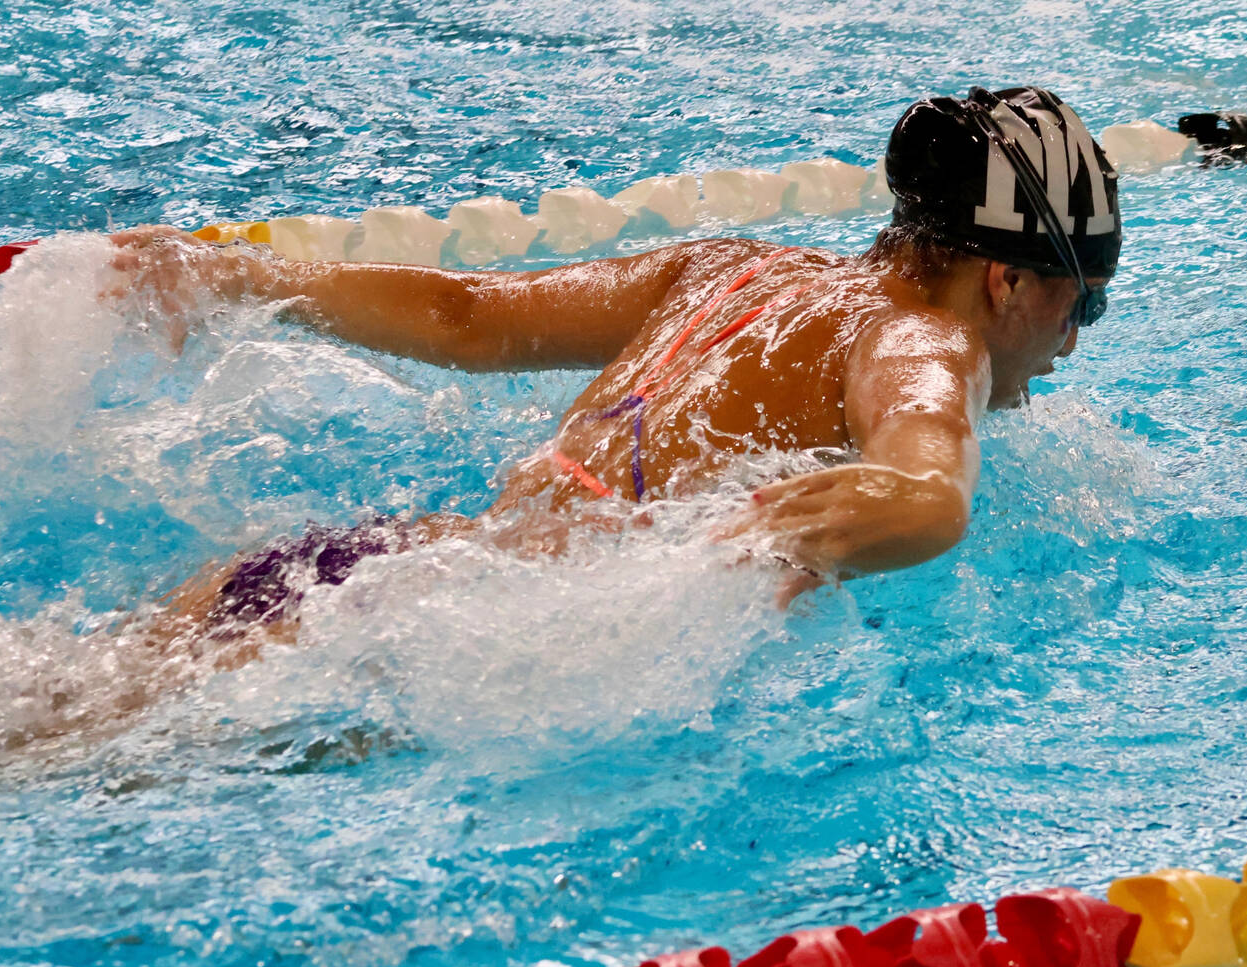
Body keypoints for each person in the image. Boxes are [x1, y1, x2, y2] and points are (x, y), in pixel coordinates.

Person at [107, 86, 1121, 657]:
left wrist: (237, 273)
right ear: (1003, 282)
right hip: (438, 643)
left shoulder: (729, 267)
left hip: (370, 564)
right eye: (1085, 303)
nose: (1072, 341)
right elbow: (925, 493)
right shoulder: (923, 341)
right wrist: (731, 549)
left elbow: (467, 316)